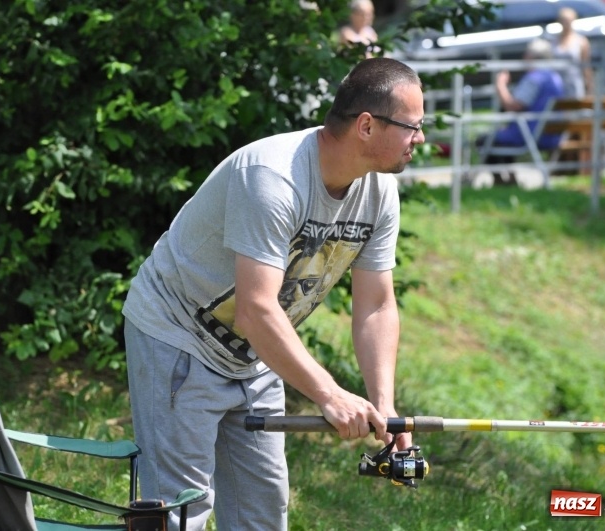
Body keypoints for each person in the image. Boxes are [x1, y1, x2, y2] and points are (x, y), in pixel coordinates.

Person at [122, 57, 423, 531]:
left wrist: (383, 405)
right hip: (178, 333)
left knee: (262, 513)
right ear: (366, 126)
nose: (420, 138)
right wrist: (329, 394)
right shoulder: (273, 176)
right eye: (412, 126)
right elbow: (256, 308)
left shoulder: (379, 192)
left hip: (254, 353)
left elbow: (377, 305)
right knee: (181, 511)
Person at [479, 38, 564, 186]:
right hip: (552, 135)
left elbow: (512, 106)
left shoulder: (534, 78)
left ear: (531, 57)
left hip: (530, 135)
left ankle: (501, 181)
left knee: (484, 140)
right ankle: (510, 178)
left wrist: (500, 85)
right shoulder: (555, 77)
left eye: (526, 54)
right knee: (502, 137)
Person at [550, 7, 592, 98]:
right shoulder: (553, 41)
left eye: (568, 20)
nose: (566, 23)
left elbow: (586, 66)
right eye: (563, 20)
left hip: (574, 82)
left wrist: (589, 87)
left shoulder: (581, 41)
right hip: (557, 83)